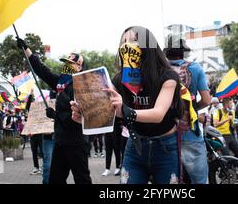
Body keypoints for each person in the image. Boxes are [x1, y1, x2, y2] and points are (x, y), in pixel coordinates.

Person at [73, 26, 183, 184]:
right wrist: (85, 116)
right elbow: (109, 111)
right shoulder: (119, 80)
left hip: (165, 147)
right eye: (123, 42)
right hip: (135, 146)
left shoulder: (167, 76)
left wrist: (125, 110)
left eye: (134, 40)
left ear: (148, 45)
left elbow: (158, 114)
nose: (127, 46)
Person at [17, 37, 92, 184]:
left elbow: (75, 119)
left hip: (76, 143)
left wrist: (55, 115)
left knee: (82, 180)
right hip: (60, 141)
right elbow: (42, 70)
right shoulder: (61, 83)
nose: (67, 66)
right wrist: (26, 50)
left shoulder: (82, 87)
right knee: (55, 180)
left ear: (80, 67)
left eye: (71, 63)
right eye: (66, 62)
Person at [164, 34, 212, 184]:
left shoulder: (160, 69)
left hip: (164, 132)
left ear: (167, 52)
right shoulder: (195, 68)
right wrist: (191, 107)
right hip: (190, 132)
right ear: (183, 51)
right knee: (199, 180)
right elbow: (206, 100)